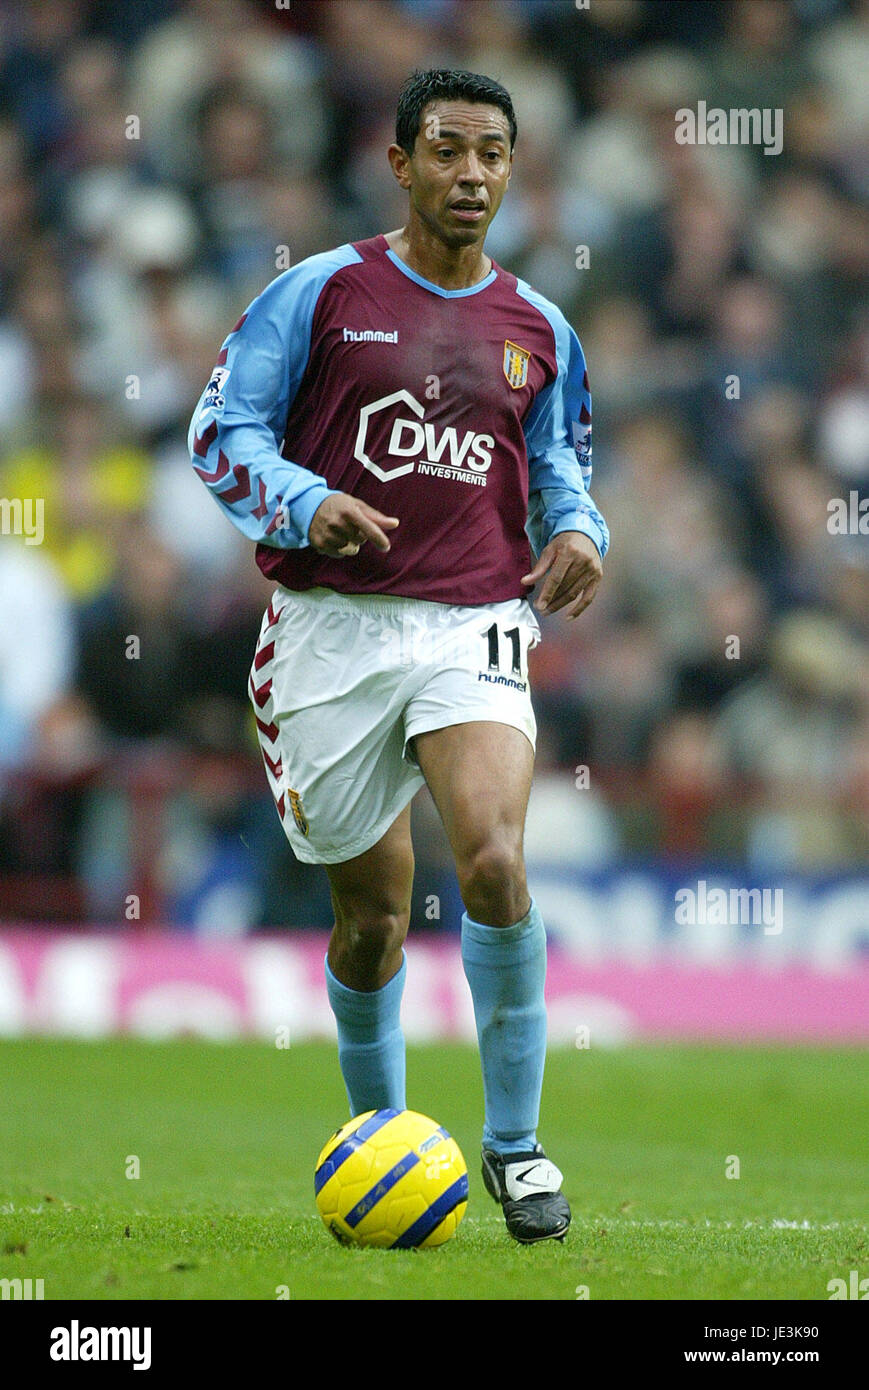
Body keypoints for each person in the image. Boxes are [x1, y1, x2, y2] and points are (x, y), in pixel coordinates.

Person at [189, 68, 608, 1244]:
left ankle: (517, 1150)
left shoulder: (540, 327)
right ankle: (381, 1144)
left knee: (492, 862)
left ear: (510, 169)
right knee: (370, 919)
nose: (470, 174)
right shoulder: (319, 293)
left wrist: (579, 529)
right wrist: (301, 500)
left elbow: (564, 465)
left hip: (470, 621)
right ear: (401, 162)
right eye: (447, 151)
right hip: (330, 630)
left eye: (491, 154)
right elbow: (219, 431)